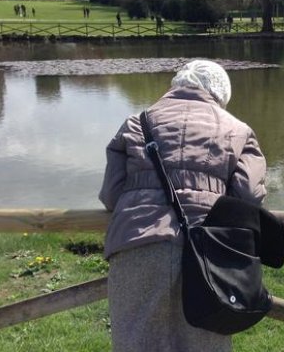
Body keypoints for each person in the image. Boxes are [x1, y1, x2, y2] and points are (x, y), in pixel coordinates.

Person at [99, 59, 267, 352]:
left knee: (136, 343)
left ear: (175, 85)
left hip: (137, 245)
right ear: (221, 94)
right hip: (208, 256)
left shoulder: (136, 123)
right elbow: (249, 198)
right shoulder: (238, 130)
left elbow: (111, 194)